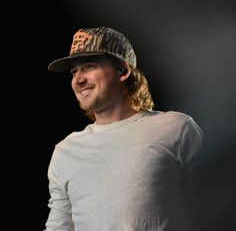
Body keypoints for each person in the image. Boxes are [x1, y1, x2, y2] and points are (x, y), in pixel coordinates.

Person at [44, 27, 204, 231]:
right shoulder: (65, 151)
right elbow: (59, 226)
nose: (78, 80)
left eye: (89, 66)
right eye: (74, 71)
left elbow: (213, 206)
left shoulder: (177, 129)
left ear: (123, 71)